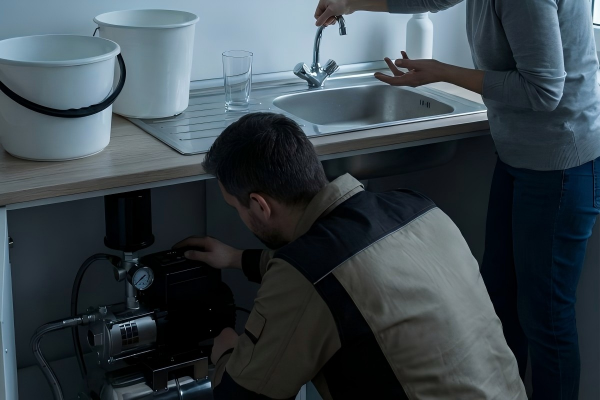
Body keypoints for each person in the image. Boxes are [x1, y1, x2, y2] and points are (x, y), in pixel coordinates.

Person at [312, 1, 600, 398]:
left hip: (558, 165)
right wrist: (355, 2)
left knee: (546, 319)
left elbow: (544, 89)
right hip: (520, 157)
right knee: (499, 301)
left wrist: (441, 71)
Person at [174, 112, 526, 399]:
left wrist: (224, 355)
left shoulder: (309, 272)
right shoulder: (414, 207)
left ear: (260, 206)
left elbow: (242, 398)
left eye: (235, 207)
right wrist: (237, 258)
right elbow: (348, 276)